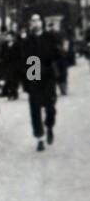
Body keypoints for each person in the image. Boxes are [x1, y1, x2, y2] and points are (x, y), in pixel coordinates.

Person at [20, 13, 62, 152]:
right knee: (35, 110)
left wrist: (58, 72)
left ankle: (49, 126)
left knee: (50, 108)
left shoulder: (49, 37)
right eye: (33, 21)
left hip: (48, 76)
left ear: (41, 22)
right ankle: (39, 137)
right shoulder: (27, 41)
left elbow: (58, 56)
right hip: (33, 74)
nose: (35, 23)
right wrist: (25, 83)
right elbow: (23, 62)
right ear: (30, 24)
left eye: (38, 20)